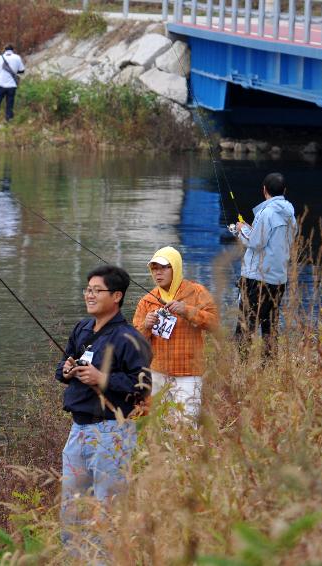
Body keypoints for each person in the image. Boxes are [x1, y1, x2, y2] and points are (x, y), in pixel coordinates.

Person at [56, 265, 151, 526]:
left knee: (107, 510)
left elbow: (142, 386)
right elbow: (63, 364)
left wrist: (103, 379)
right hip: (78, 429)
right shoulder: (82, 329)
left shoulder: (130, 339)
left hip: (112, 431)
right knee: (71, 508)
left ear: (117, 296)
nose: (90, 295)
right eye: (88, 290)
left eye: (97, 291)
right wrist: (67, 370)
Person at [133, 246, 219, 422]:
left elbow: (215, 324)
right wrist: (145, 326)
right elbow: (134, 342)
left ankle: (187, 451)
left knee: (186, 426)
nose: (158, 273)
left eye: (164, 267)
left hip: (188, 373)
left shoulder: (197, 292)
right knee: (159, 425)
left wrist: (187, 310)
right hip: (157, 373)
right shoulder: (147, 300)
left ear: (176, 267)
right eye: (154, 269)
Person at [234, 172, 297, 356]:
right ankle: (269, 364)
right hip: (278, 279)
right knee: (270, 327)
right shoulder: (290, 215)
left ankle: (241, 366)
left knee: (246, 325)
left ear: (264, 191)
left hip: (257, 278)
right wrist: (250, 230)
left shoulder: (266, 212)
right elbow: (275, 242)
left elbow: (255, 242)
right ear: (284, 191)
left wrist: (241, 229)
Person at [0, 44, 25, 127]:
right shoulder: (17, 57)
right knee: (10, 105)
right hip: (12, 86)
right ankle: (9, 121)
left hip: (0, 85)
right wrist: (14, 71)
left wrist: (1, 72)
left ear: (4, 50)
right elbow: (22, 71)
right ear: (13, 50)